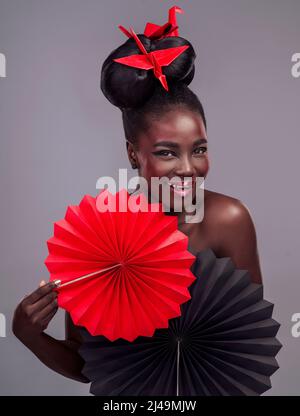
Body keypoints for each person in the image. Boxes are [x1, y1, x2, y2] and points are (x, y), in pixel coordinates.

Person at [12, 23, 263, 387]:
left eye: (200, 150)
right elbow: (89, 366)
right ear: (133, 153)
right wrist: (29, 335)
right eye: (166, 152)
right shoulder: (97, 234)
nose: (189, 169)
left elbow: (245, 348)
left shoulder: (229, 221)